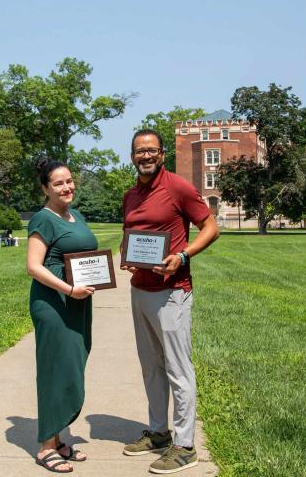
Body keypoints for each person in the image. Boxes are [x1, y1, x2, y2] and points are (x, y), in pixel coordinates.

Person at [121, 129, 219, 474]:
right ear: (132, 156)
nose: (145, 156)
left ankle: (185, 445)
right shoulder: (131, 194)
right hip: (140, 289)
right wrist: (129, 258)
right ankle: (159, 433)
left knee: (178, 369)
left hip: (172, 291)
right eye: (138, 152)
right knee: (150, 366)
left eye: (150, 151)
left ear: (161, 154)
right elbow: (130, 236)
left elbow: (211, 227)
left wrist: (183, 255)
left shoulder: (178, 187)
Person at [26, 158, 98, 473]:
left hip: (78, 301)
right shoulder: (43, 219)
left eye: (69, 181)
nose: (67, 187)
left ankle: (58, 439)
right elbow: (33, 266)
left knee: (71, 365)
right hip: (55, 303)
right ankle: (45, 446)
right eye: (58, 183)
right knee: (54, 369)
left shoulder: (74, 215)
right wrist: (69, 290)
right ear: (45, 188)